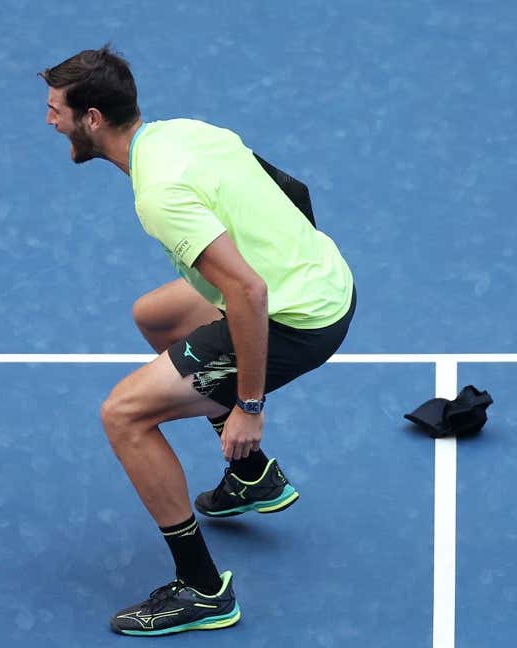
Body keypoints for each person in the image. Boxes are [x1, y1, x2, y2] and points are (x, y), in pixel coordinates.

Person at [40, 46, 355, 636]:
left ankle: (202, 588)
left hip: (294, 318)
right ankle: (252, 477)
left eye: (57, 110)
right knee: (155, 317)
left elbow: (251, 294)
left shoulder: (158, 194)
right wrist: (294, 257)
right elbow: (294, 189)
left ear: (92, 120)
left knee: (123, 416)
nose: (49, 120)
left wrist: (249, 406)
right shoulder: (185, 132)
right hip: (323, 276)